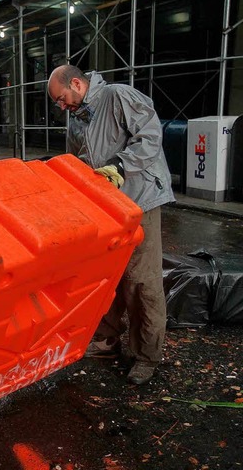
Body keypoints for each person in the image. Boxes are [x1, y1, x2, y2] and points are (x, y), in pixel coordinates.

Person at [47, 65, 175, 385]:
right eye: (58, 103)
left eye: (62, 98)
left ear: (77, 83)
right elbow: (78, 163)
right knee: (110, 275)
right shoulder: (78, 117)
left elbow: (150, 135)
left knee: (141, 280)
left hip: (140, 200)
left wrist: (120, 164)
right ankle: (108, 337)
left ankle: (147, 355)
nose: (61, 106)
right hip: (108, 207)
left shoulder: (117, 96)